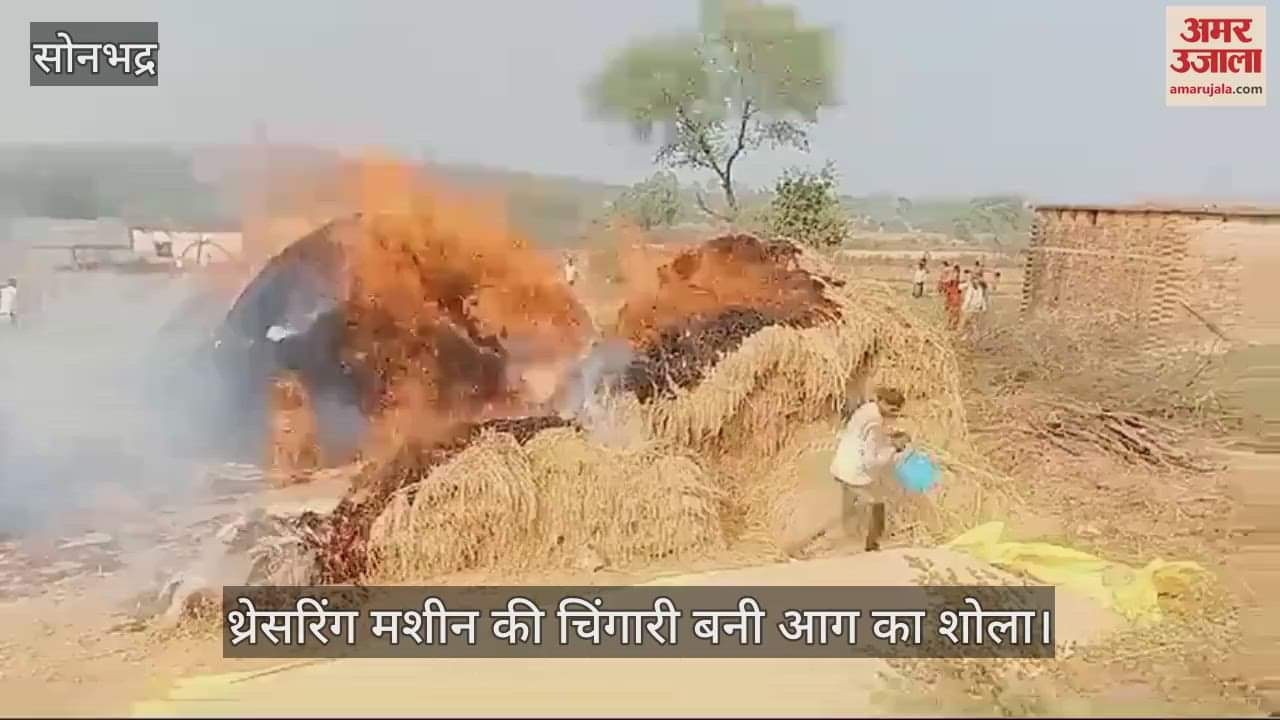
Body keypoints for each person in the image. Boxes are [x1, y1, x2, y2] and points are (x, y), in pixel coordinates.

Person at [830, 386, 910, 552]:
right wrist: (894, 448)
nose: (894, 414)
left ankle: (852, 537)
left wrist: (888, 438)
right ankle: (871, 545)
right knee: (877, 504)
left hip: (843, 463)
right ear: (881, 401)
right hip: (854, 471)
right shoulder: (874, 423)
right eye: (892, 410)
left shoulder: (867, 410)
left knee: (852, 505)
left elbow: (864, 437)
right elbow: (871, 461)